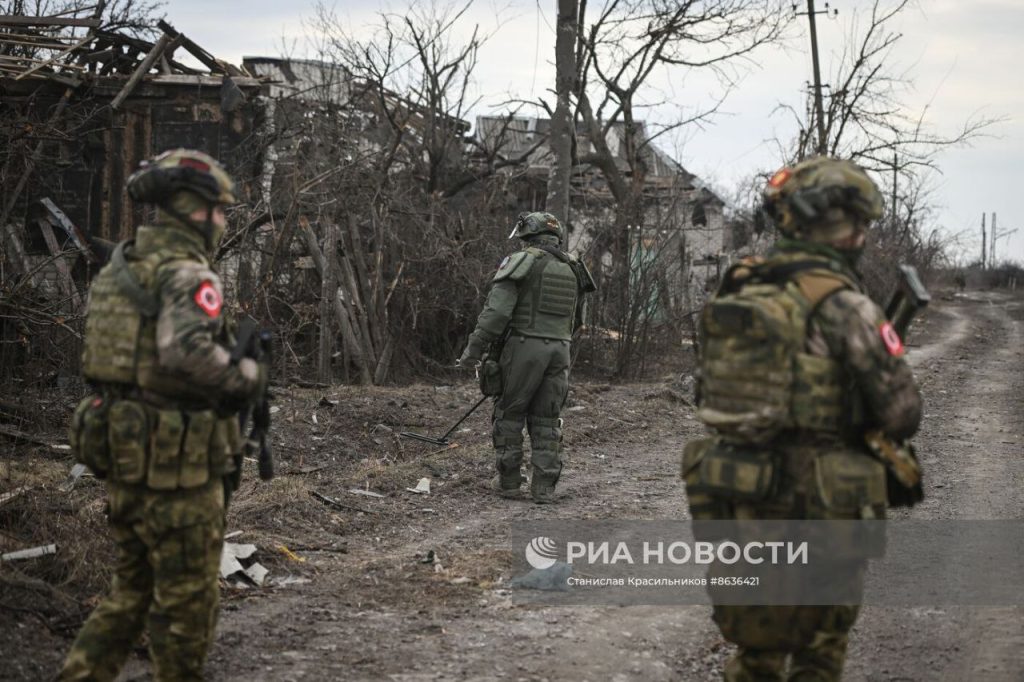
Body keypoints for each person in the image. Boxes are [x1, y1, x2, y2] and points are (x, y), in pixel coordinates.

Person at [682, 156, 923, 681]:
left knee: (757, 644)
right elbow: (902, 413)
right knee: (818, 644)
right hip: (820, 498)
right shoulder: (844, 305)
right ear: (842, 222)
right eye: (859, 221)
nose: (863, 232)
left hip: (741, 488)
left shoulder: (740, 285)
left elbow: (707, 389)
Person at [59, 149, 266, 681]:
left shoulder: (121, 268)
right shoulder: (187, 274)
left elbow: (127, 361)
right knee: (187, 606)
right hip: (177, 463)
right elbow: (184, 352)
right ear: (192, 210)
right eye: (219, 210)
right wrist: (246, 379)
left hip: (124, 450)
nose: (222, 221)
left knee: (131, 591)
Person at [459, 212, 595, 503]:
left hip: (523, 346)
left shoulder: (522, 261)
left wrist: (474, 349)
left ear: (526, 235)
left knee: (509, 413)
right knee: (547, 417)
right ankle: (544, 487)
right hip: (560, 349)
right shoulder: (573, 267)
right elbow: (578, 319)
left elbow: (496, 313)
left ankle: (509, 482)